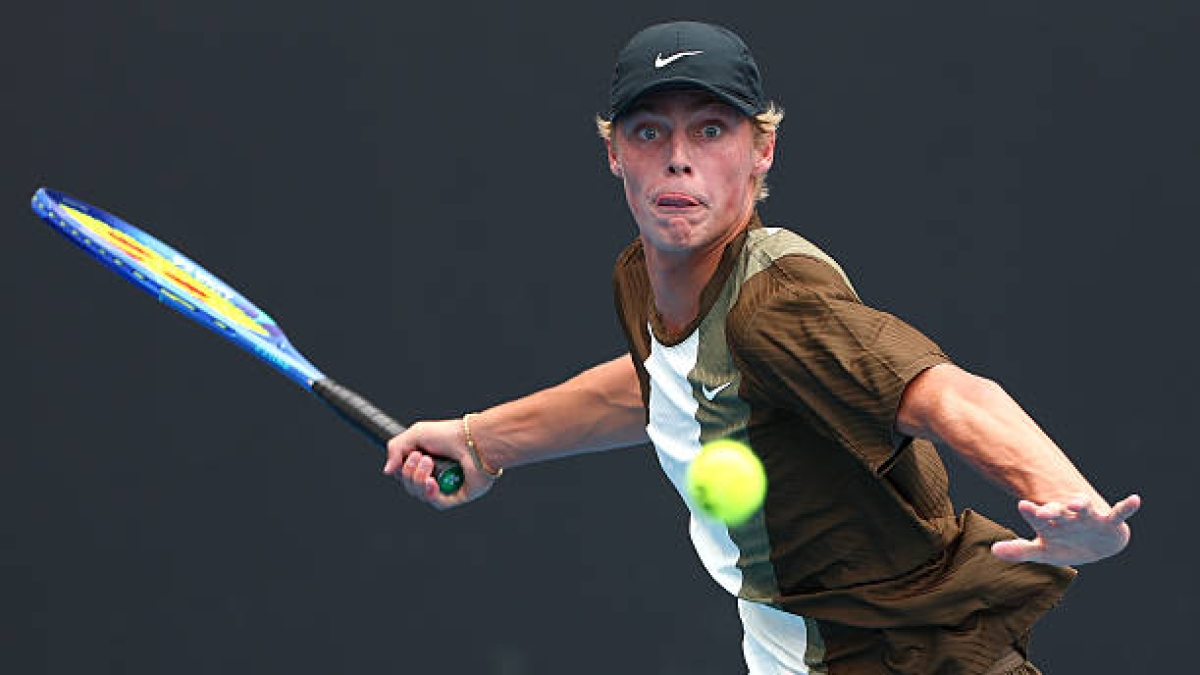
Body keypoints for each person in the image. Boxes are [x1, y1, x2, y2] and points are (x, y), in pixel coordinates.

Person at [383, 21, 1140, 675]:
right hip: (794, 646)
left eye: (711, 130)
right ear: (615, 152)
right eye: (649, 131)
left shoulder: (777, 305)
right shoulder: (643, 280)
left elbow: (952, 395)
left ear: (762, 150)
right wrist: (486, 441)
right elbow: (658, 381)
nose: (679, 159)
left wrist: (1071, 504)